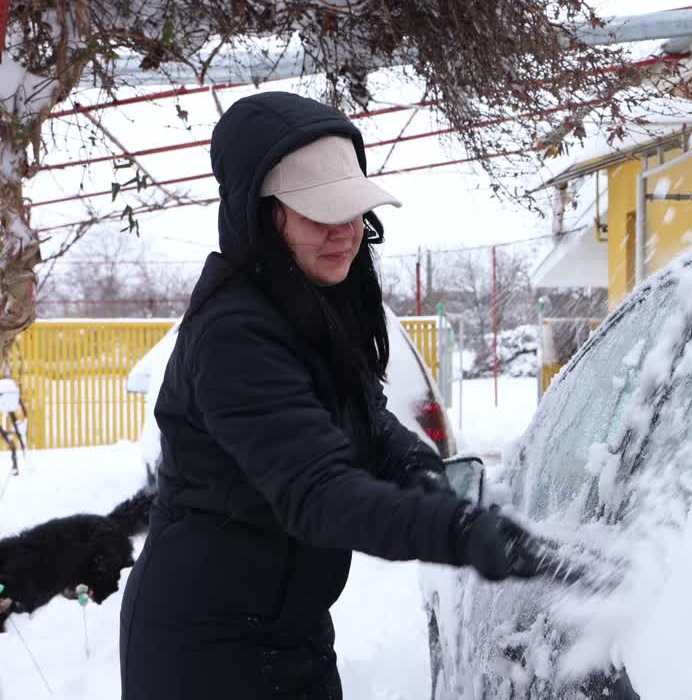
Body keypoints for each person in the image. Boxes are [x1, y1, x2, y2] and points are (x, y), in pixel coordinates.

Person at [119, 91, 546, 699]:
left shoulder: (315, 307)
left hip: (290, 630)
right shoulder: (234, 334)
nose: (346, 234)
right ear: (267, 217)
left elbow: (370, 425)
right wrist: (454, 530)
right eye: (321, 215)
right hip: (204, 651)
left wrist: (423, 475)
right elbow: (317, 492)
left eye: (352, 212)